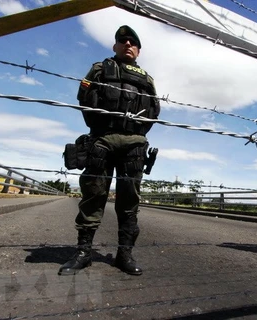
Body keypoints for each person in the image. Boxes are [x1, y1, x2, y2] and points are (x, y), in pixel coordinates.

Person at [59, 25, 160, 276]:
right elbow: (84, 98)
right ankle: (83, 253)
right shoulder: (99, 69)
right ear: (115, 46)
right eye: (122, 41)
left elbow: (154, 111)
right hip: (102, 139)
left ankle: (124, 254)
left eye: (133, 43)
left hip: (134, 143)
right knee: (93, 195)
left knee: (129, 202)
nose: (128, 45)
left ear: (138, 50)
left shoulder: (147, 79)